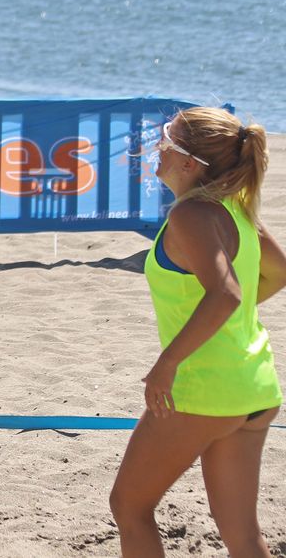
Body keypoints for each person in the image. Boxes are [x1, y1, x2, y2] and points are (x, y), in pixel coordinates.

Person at [110, 108, 281, 557]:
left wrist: (166, 364)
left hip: (202, 390)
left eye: (166, 139)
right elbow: (278, 272)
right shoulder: (237, 209)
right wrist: (230, 319)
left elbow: (225, 295)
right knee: (243, 534)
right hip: (255, 386)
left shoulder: (190, 215)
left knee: (129, 507)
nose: (157, 146)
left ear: (189, 163)